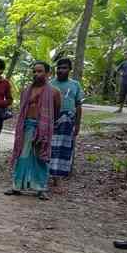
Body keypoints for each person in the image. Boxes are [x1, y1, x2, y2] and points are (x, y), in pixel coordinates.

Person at [5, 61, 61, 200]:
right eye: (34, 71)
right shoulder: (26, 91)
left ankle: (41, 188)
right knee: (22, 156)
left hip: (42, 129)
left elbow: (56, 112)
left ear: (48, 74)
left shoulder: (54, 92)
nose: (36, 74)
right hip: (26, 127)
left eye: (40, 71)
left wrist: (44, 126)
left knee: (40, 157)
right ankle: (17, 186)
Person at [50, 58, 84, 186]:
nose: (60, 70)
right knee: (50, 147)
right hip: (52, 119)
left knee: (63, 149)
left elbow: (78, 105)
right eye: (59, 68)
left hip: (68, 121)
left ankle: (57, 178)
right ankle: (45, 175)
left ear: (70, 69)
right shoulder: (50, 84)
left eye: (64, 68)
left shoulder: (75, 85)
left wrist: (77, 125)